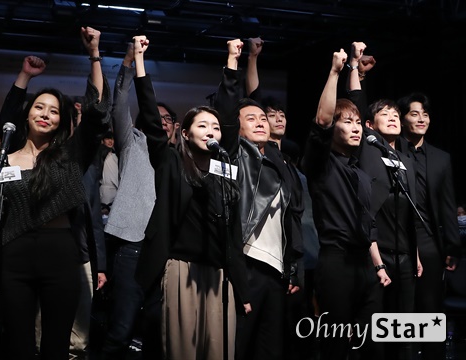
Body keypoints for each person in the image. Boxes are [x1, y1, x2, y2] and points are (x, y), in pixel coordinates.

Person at [0, 26, 110, 360]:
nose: (46, 114)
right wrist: (24, 77)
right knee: (19, 344)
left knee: (56, 344)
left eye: (54, 111)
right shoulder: (4, 160)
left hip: (60, 253)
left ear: (61, 120)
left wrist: (94, 54)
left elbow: (97, 113)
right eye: (40, 107)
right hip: (14, 254)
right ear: (28, 113)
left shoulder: (69, 155)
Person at [133, 35, 251, 360]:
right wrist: (140, 62)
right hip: (182, 268)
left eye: (215, 126)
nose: (212, 130)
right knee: (182, 350)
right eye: (202, 125)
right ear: (185, 133)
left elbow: (228, 112)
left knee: (218, 350)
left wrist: (232, 61)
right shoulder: (172, 161)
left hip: (218, 272)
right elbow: (150, 119)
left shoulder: (224, 165)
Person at [300, 46, 390, 359]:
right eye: (347, 122)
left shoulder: (360, 170)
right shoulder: (321, 163)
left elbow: (368, 221)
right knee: (336, 343)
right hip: (335, 261)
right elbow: (323, 120)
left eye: (357, 123)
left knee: (371, 343)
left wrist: (377, 264)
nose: (355, 127)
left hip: (364, 264)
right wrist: (336, 72)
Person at [213, 38, 300, 360]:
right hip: (246, 262)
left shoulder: (280, 163)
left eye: (263, 118)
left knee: (271, 349)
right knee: (239, 345)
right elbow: (226, 114)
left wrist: (293, 268)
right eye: (252, 119)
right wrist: (234, 61)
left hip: (277, 271)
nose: (261, 121)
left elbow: (294, 219)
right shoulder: (237, 156)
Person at [345, 41, 423, 359]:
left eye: (395, 114)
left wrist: (415, 254)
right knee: (375, 330)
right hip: (374, 255)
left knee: (404, 328)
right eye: (384, 114)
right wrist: (355, 69)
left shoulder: (404, 157)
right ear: (369, 125)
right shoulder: (367, 148)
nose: (392, 117)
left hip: (405, 255)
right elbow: (356, 103)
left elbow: (408, 210)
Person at [395, 91, 461, 359]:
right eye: (414, 113)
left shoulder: (441, 158)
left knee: (430, 307)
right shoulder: (391, 150)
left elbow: (448, 204)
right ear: (402, 118)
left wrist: (452, 246)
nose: (421, 118)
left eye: (425, 113)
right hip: (396, 237)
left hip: (429, 240)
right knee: (400, 307)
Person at [100, 42, 156, 360]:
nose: (163, 122)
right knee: (121, 328)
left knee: (154, 330)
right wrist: (128, 62)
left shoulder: (179, 157)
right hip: (132, 246)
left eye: (170, 120)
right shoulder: (134, 145)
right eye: (157, 117)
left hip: (166, 250)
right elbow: (119, 105)